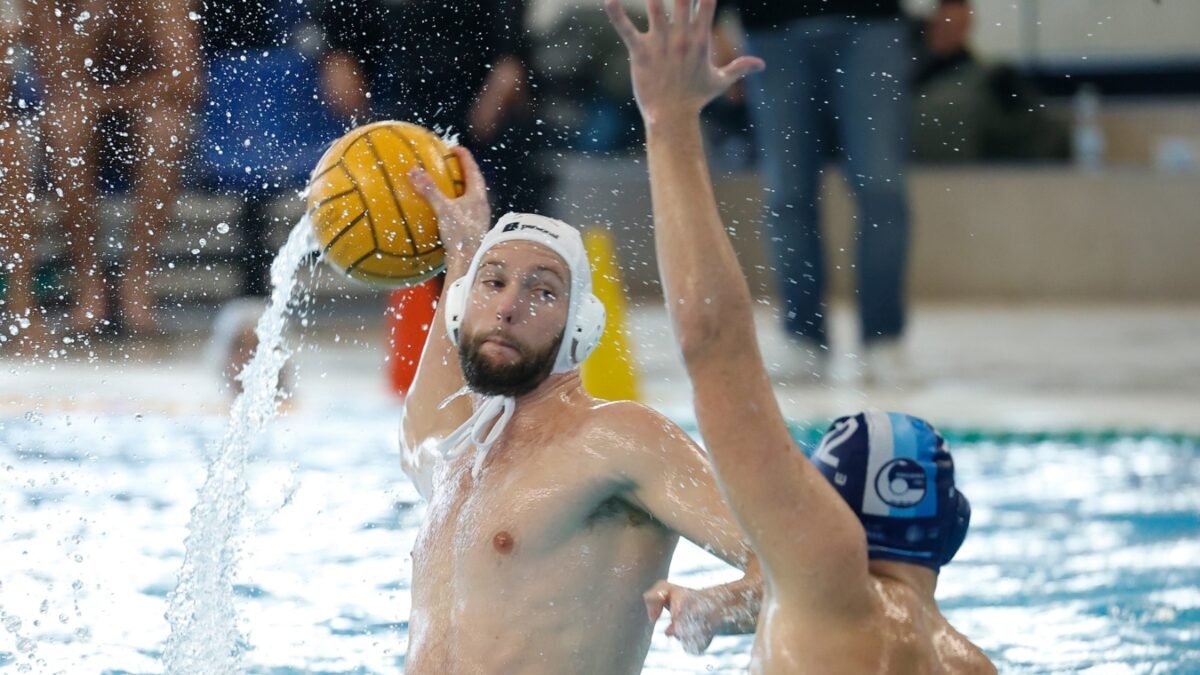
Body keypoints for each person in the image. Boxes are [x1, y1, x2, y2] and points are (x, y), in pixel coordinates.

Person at [605, 0, 995, 671]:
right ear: (951, 530)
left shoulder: (824, 574)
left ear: (815, 511)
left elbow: (713, 343)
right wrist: (719, 604)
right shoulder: (968, 660)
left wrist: (669, 124)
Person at [398, 145, 762, 673]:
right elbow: (418, 435)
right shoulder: (458, 452)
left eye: (542, 291)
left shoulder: (619, 439)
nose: (506, 307)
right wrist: (463, 252)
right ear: (461, 304)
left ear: (581, 329)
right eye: (493, 282)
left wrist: (720, 605)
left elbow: (792, 571)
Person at [714, 0, 960, 384]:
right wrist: (708, 22)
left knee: (881, 188)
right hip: (771, 25)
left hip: (871, 20)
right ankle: (803, 337)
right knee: (787, 193)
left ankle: (883, 337)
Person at [27, 0, 200, 336]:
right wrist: (93, 16)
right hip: (82, 118)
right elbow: (55, 80)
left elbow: (185, 81)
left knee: (166, 127)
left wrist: (109, 99)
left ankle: (137, 279)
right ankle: (88, 280)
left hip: (139, 112)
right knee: (65, 125)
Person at [317, 0, 550, 215]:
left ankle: (516, 235)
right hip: (403, 98)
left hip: (478, 99)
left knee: (516, 140)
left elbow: (510, 63)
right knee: (374, 151)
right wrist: (343, 69)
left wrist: (493, 99)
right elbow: (341, 47)